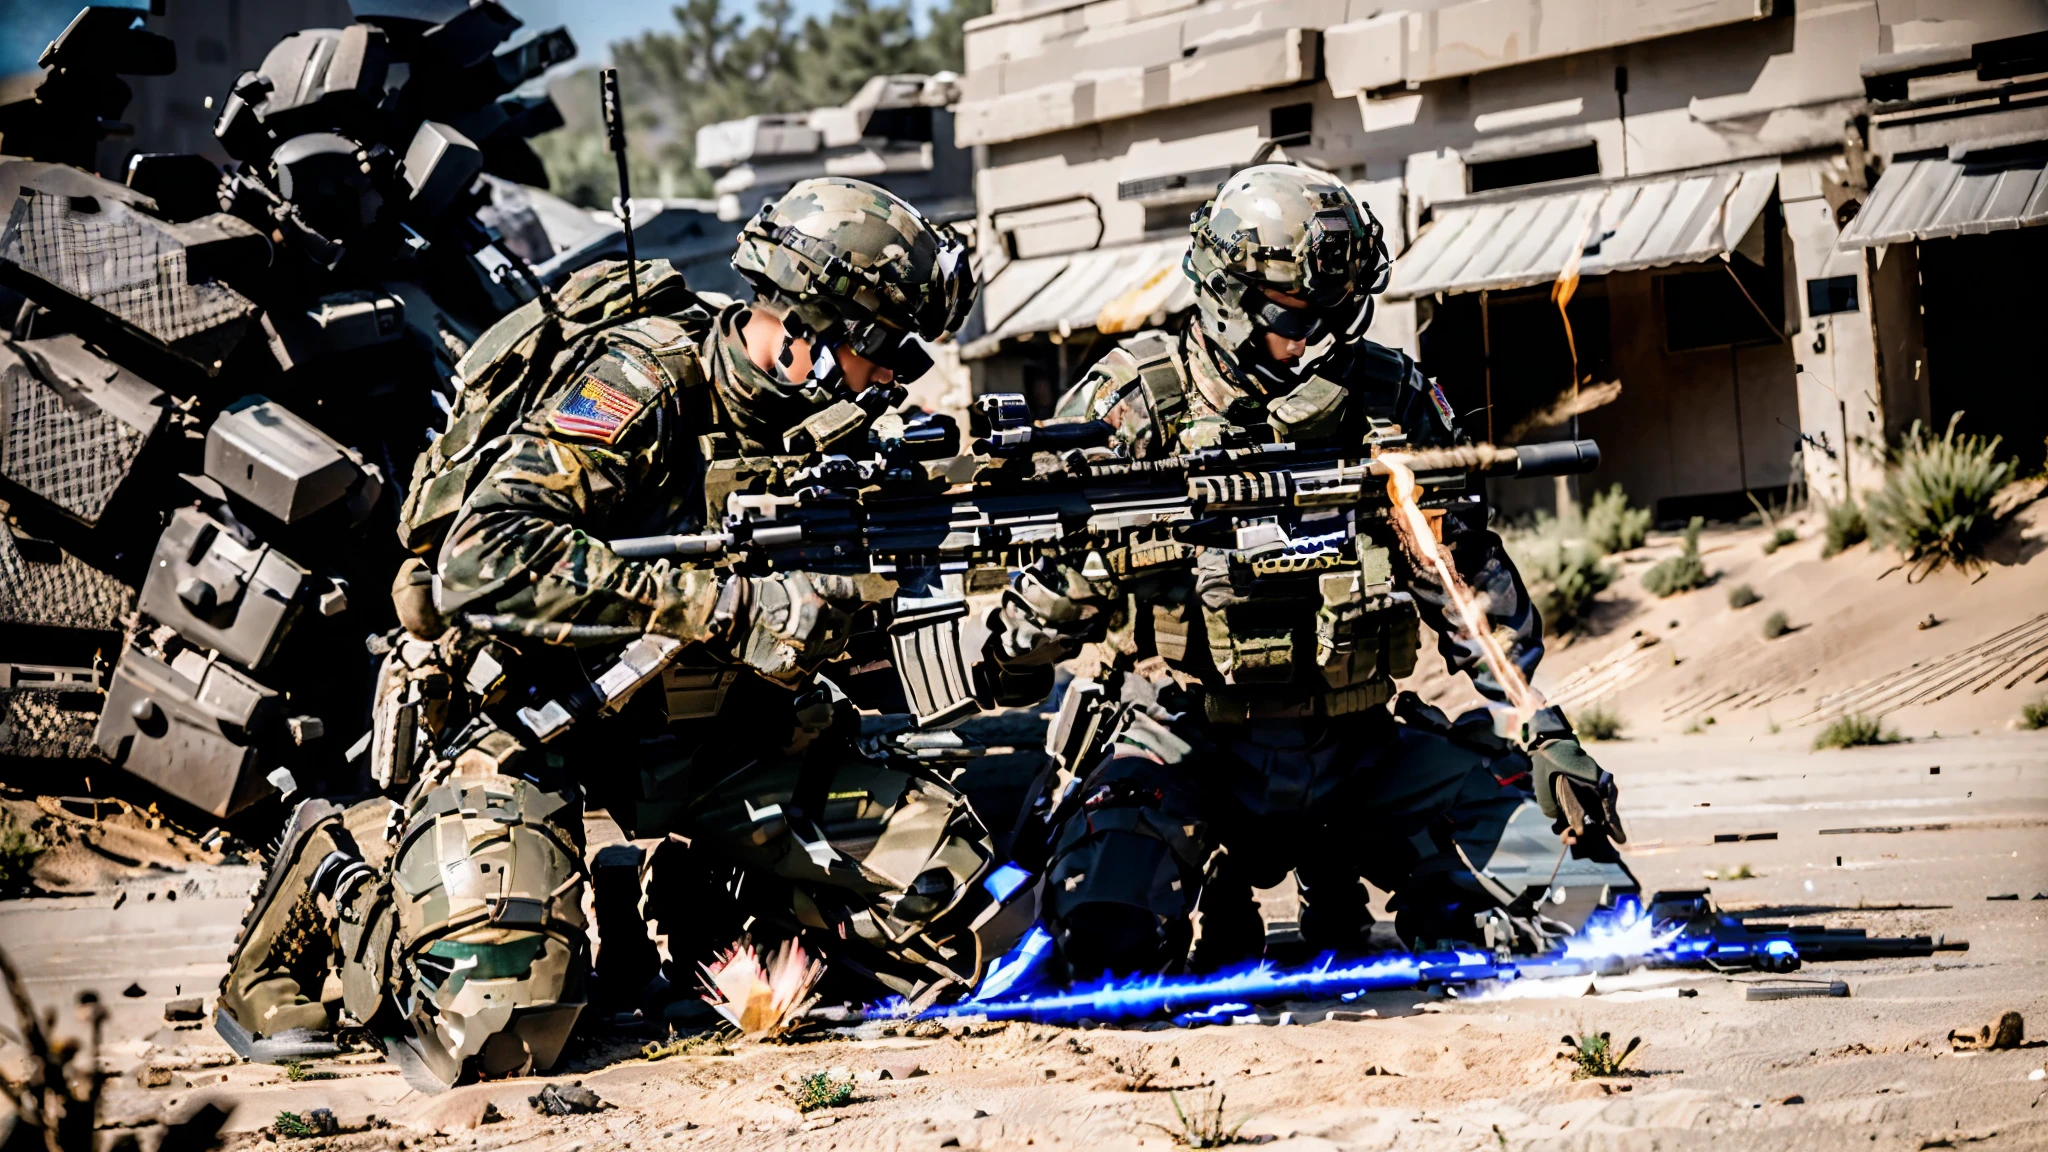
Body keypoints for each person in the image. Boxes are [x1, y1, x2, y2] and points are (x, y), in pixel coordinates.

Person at [215, 178, 1020, 1088]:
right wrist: (723, 608)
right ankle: (329, 879)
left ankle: (683, 914)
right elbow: (483, 559)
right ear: (805, 329)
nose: (894, 378)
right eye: (883, 352)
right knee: (502, 1025)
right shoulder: (643, 380)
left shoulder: (832, 433)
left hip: (722, 743)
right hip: (542, 727)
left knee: (959, 909)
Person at [980, 163, 1636, 979]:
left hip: (1358, 746)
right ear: (1226, 298)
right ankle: (1203, 876)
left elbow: (1463, 576)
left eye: (1342, 315)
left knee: (1593, 905)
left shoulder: (1388, 399)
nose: (1321, 340)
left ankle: (1430, 893)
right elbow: (1013, 640)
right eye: (1297, 317)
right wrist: (1088, 575)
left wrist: (1541, 723)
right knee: (1102, 945)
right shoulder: (1135, 404)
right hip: (1189, 747)